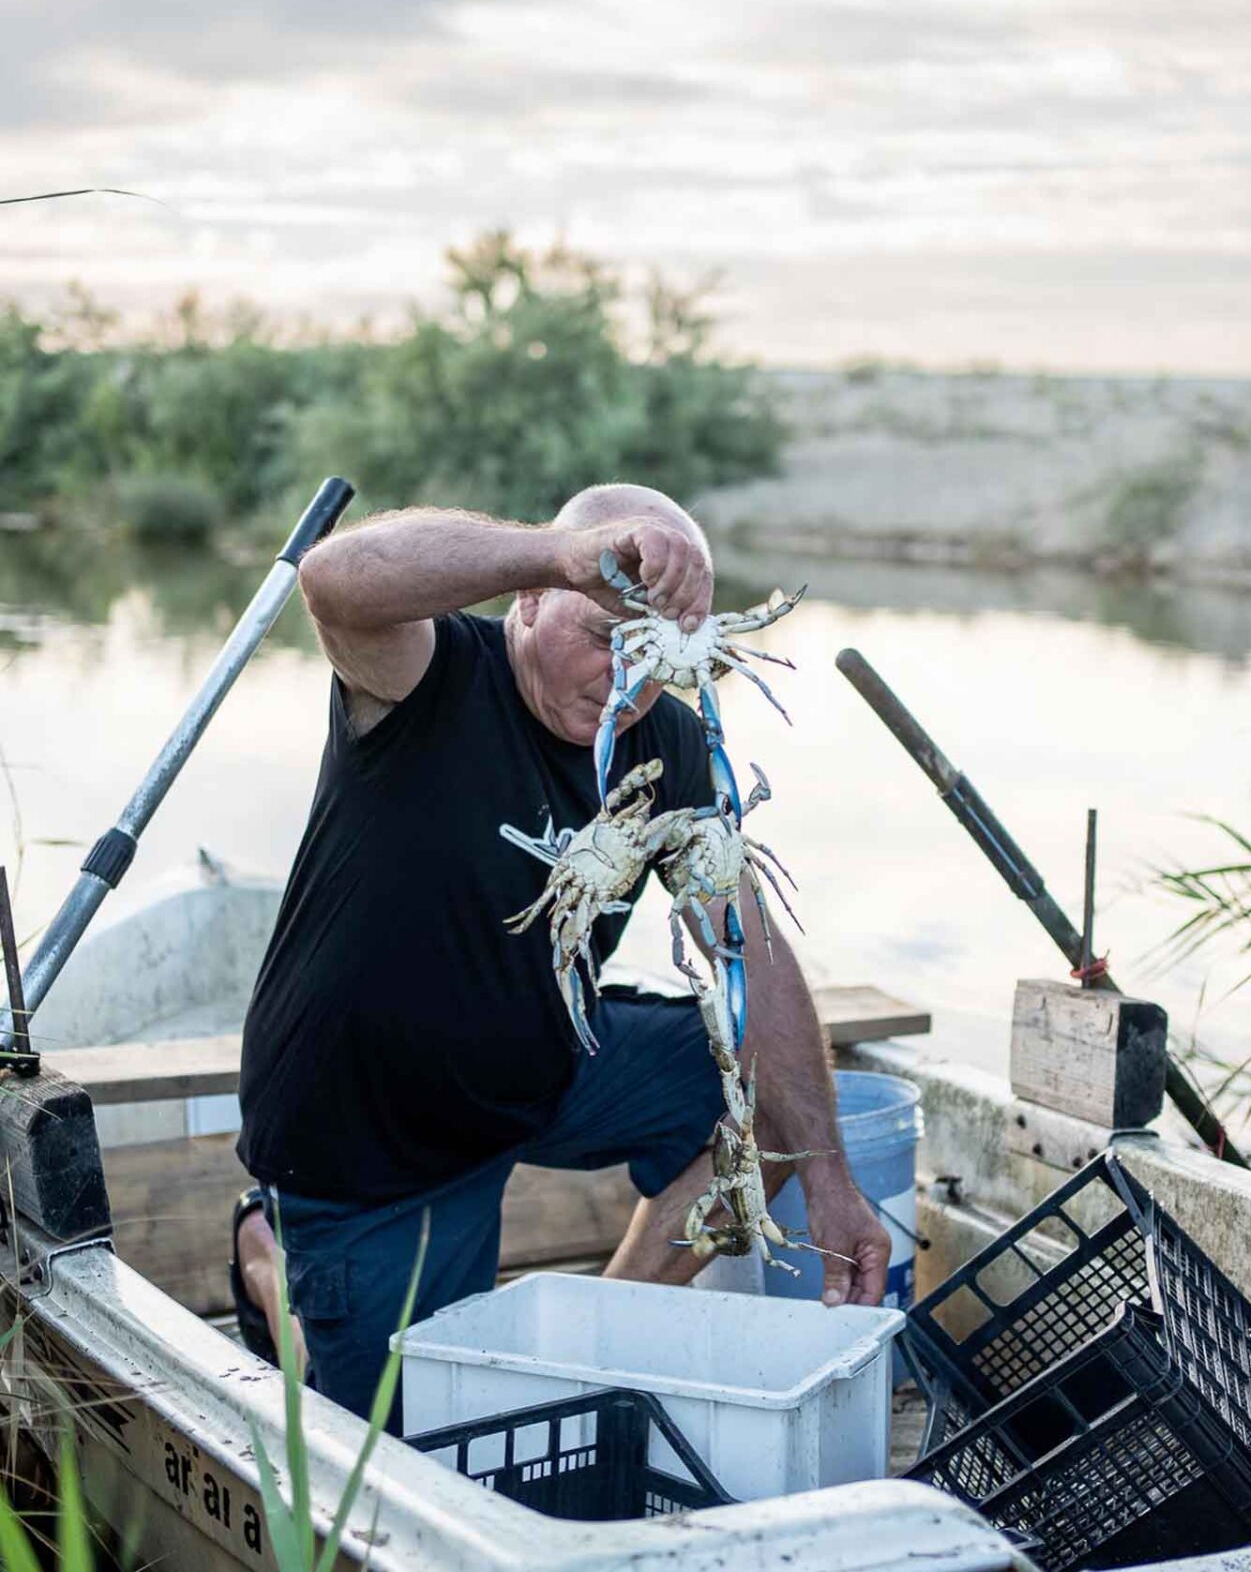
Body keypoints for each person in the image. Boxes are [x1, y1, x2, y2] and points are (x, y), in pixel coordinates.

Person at [231, 481, 890, 1434]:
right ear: (531, 604)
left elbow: (752, 951)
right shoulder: (426, 678)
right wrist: (558, 552)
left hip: (534, 1069)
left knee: (767, 1095)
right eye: (604, 638)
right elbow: (333, 581)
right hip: (371, 1146)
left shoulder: (659, 738)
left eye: (656, 657)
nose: (628, 679)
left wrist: (830, 1180)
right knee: (412, 1453)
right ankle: (268, 1260)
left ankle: (593, 1334)